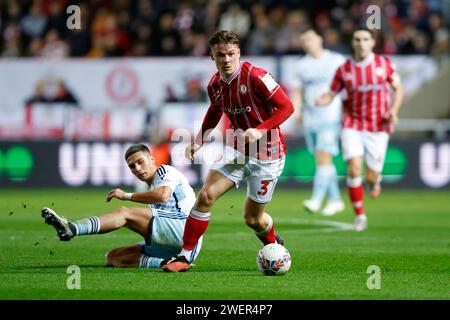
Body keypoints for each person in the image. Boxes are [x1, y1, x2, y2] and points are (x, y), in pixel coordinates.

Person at [162, 30, 294, 272]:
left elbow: (287, 106)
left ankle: (274, 245)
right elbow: (215, 110)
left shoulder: (257, 76)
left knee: (252, 219)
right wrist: (200, 140)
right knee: (205, 196)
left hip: (268, 155)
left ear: (239, 53)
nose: (226, 59)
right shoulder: (214, 84)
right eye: (220, 55)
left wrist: (260, 129)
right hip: (237, 151)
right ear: (212, 57)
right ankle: (185, 256)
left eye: (231, 54)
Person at [41, 144, 202, 269]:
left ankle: (72, 228)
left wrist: (126, 196)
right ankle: (168, 262)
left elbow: (162, 196)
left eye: (140, 162)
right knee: (113, 257)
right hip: (175, 246)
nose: (137, 168)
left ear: (152, 160)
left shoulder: (165, 171)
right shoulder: (152, 185)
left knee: (125, 213)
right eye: (132, 166)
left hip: (185, 231)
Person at [316, 28, 404, 231]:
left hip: (378, 126)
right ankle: (360, 216)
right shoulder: (344, 69)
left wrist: (393, 110)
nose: (362, 43)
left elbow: (398, 89)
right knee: (354, 168)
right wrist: (322, 100)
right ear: (353, 43)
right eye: (358, 39)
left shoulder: (384, 64)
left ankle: (374, 182)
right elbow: (331, 93)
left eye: (366, 39)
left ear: (372, 43)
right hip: (352, 124)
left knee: (371, 178)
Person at [290, 28, 346, 216]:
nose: (307, 43)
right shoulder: (301, 65)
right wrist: (296, 110)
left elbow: (347, 87)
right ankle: (336, 200)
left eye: (310, 39)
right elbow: (297, 91)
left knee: (324, 157)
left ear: (320, 39)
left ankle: (316, 199)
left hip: (330, 116)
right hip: (310, 118)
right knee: (322, 159)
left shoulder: (336, 61)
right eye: (304, 40)